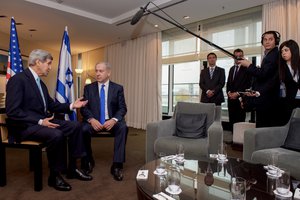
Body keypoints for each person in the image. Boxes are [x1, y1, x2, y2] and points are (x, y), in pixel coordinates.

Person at [5, 49, 92, 191]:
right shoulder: (18, 80)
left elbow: (51, 105)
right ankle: (55, 175)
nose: (50, 67)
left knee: (75, 126)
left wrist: (71, 105)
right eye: (49, 63)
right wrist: (40, 121)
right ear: (38, 62)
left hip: (42, 122)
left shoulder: (41, 83)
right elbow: (13, 111)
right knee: (56, 134)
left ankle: (72, 168)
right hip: (25, 126)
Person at [80, 62, 128, 181]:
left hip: (110, 120)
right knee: (82, 129)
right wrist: (91, 120)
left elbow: (122, 108)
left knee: (123, 128)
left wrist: (113, 120)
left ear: (108, 73)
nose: (97, 73)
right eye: (96, 71)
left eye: (101, 71)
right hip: (94, 120)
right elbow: (84, 108)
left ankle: (117, 165)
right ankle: (88, 160)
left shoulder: (117, 88)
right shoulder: (88, 88)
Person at [238, 31, 281, 127]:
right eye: (265, 39)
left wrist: (249, 65)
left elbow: (263, 74)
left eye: (270, 39)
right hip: (265, 97)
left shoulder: (273, 55)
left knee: (263, 128)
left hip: (268, 100)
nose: (267, 42)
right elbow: (266, 75)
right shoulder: (269, 55)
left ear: (276, 41)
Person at [226, 49, 251, 131]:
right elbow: (229, 83)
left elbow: (248, 85)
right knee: (232, 120)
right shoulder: (231, 69)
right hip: (231, 99)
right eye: (236, 56)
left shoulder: (247, 69)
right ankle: (233, 139)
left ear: (243, 57)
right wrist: (229, 92)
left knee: (240, 121)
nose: (238, 58)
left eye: (240, 56)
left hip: (240, 99)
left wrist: (237, 93)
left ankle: (239, 141)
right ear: (233, 57)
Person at [278, 39, 300, 124]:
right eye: (282, 51)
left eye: (286, 50)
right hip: (289, 102)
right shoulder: (281, 67)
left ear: (293, 50)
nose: (283, 53)